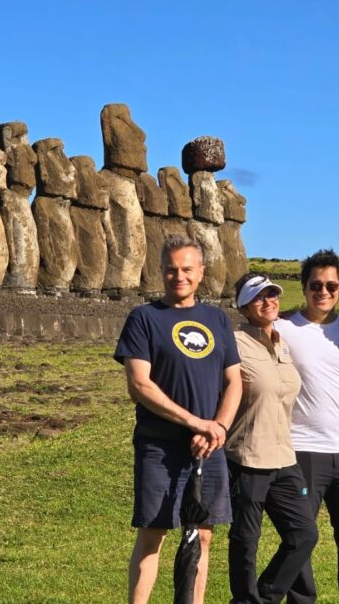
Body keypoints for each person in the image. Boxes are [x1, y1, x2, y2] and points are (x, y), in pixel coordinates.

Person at [114, 236, 243, 604]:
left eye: (187, 269)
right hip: (161, 444)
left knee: (203, 534)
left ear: (201, 272)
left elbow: (234, 380)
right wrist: (195, 423)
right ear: (161, 271)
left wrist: (217, 427)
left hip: (209, 447)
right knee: (154, 532)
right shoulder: (144, 318)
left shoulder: (217, 318)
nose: (178, 276)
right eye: (171, 269)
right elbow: (139, 384)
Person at [276, 250, 339, 604]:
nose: (324, 292)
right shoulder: (283, 328)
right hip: (301, 451)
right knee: (300, 540)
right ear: (304, 287)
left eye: (331, 285)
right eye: (316, 285)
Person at [226, 272, 319, 604]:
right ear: (244, 306)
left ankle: (265, 598)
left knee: (304, 535)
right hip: (247, 457)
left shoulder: (282, 343)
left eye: (272, 294)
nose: (268, 301)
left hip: (284, 457)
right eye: (259, 296)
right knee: (246, 540)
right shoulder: (234, 343)